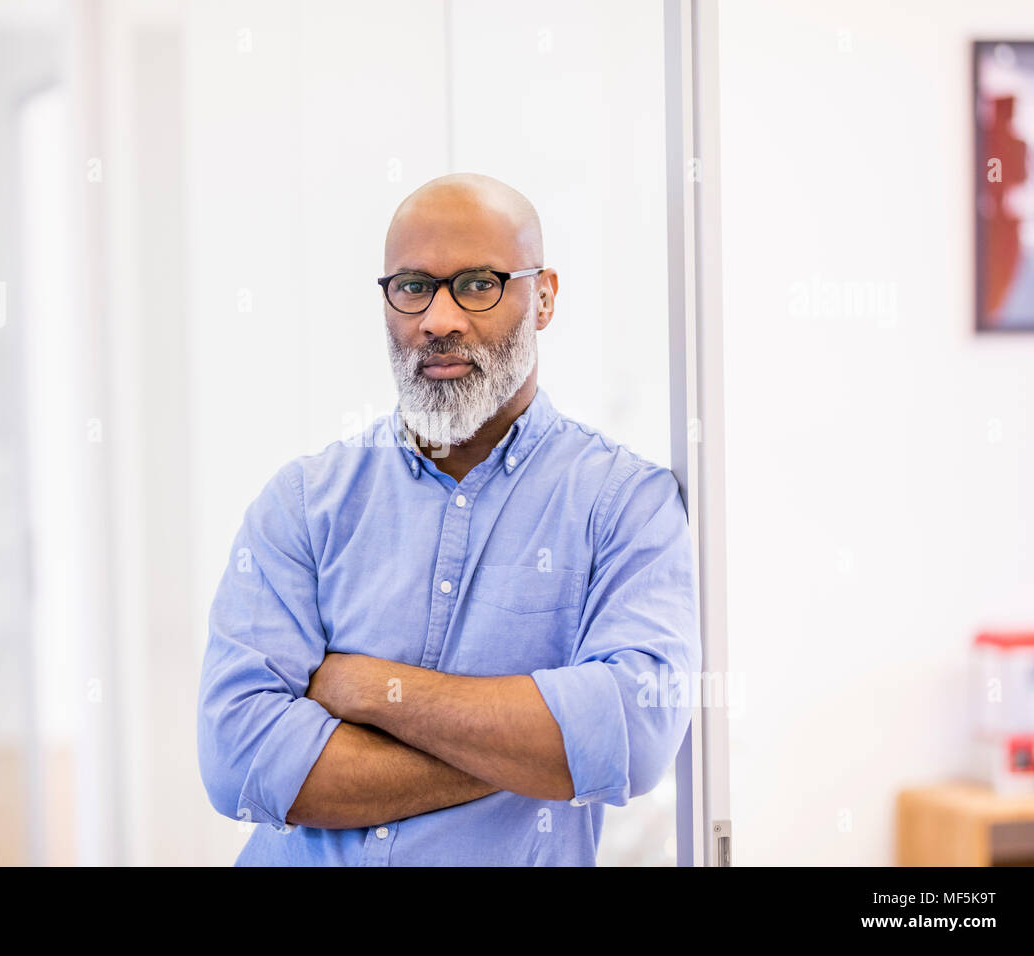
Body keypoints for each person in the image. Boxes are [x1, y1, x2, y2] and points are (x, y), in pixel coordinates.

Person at [196, 172, 700, 865]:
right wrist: (529, 754)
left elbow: (634, 735)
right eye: (412, 287)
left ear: (544, 297)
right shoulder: (303, 503)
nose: (438, 320)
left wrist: (364, 689)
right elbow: (239, 760)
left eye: (477, 284)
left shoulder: (623, 505)